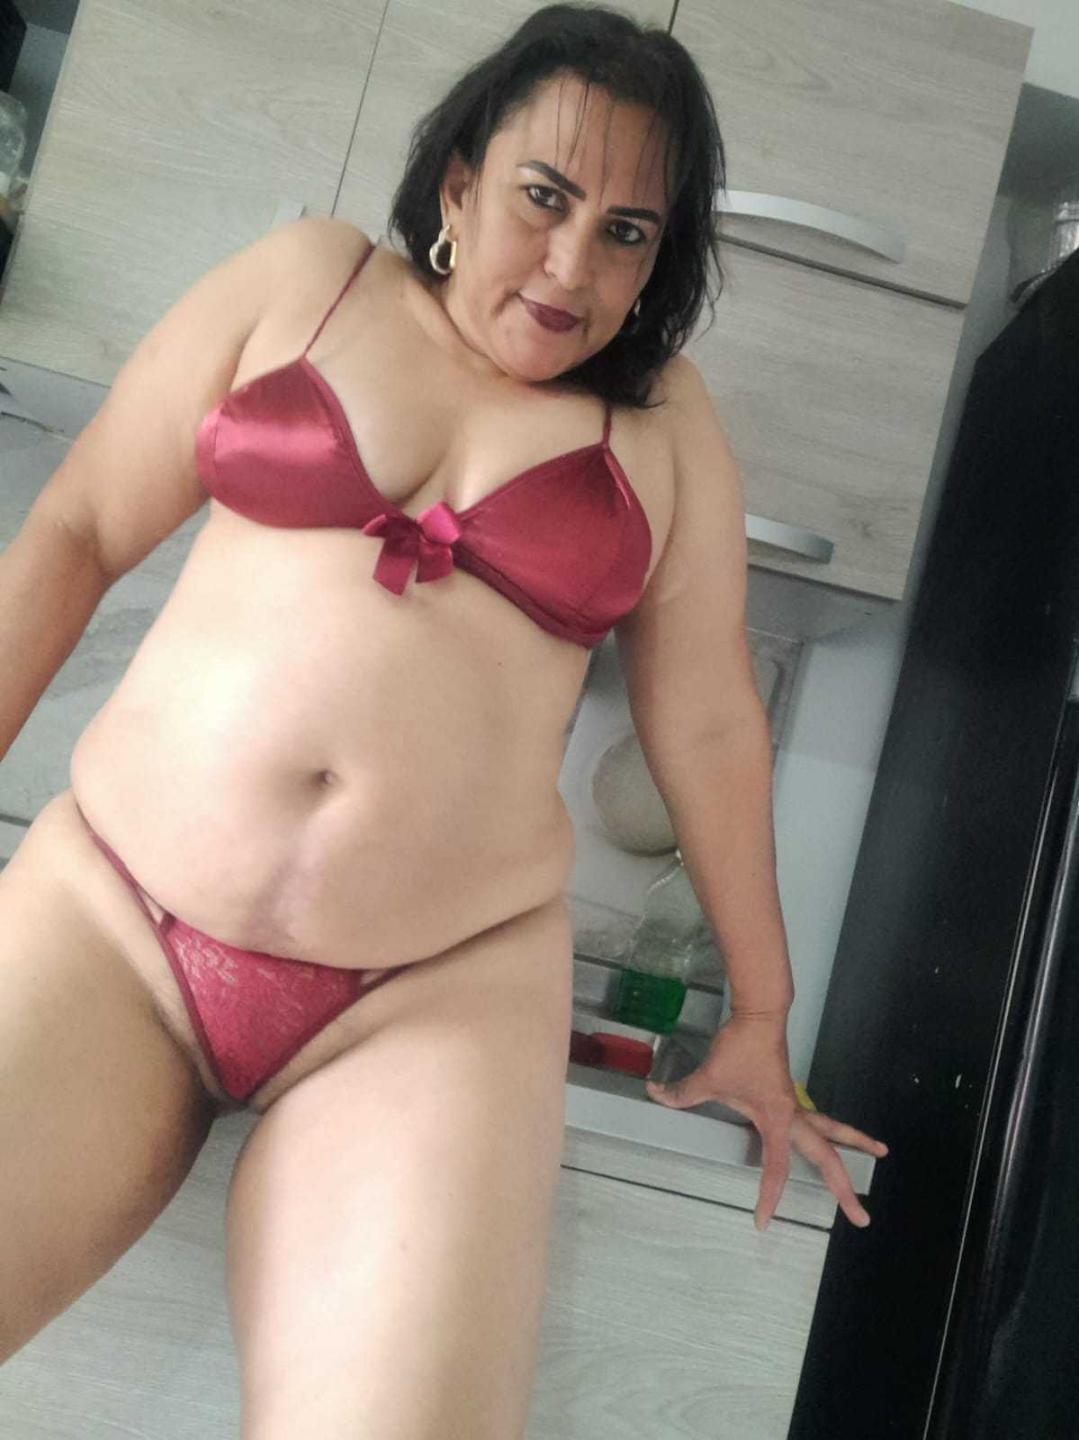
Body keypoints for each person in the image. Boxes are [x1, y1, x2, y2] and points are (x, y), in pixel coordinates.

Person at [0, 2, 887, 1432]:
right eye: (547, 197)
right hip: (113, 916)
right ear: (462, 183)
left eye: (628, 233)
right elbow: (77, 528)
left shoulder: (666, 428)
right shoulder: (312, 280)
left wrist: (764, 1012)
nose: (574, 263)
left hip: (430, 997)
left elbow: (713, 722)